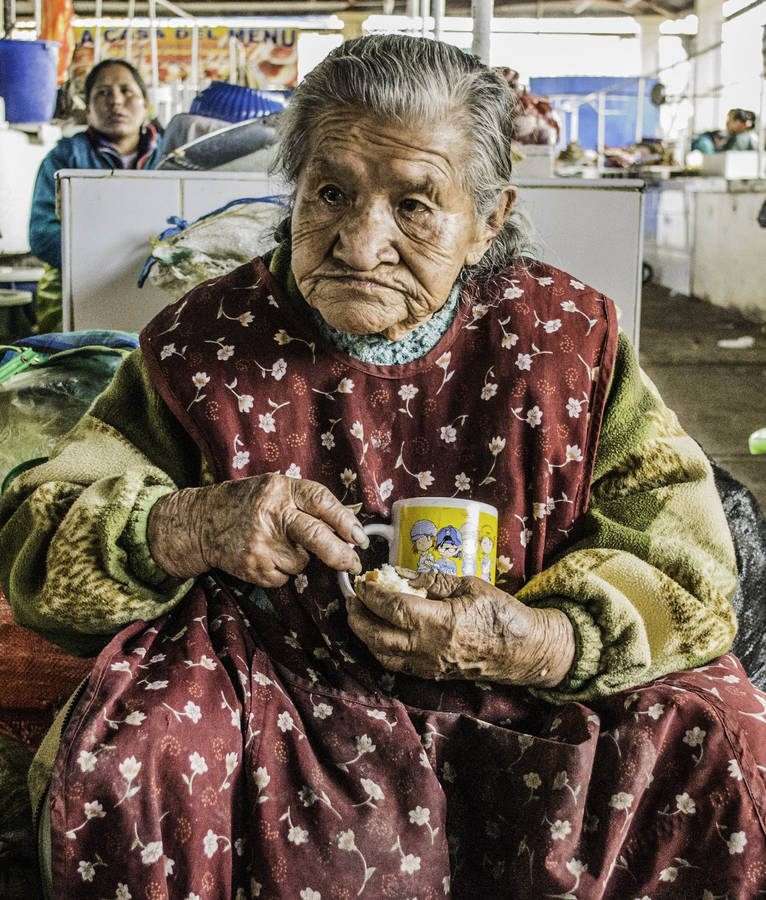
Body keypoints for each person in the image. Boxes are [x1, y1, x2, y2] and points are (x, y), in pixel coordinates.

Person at [1, 33, 764, 898]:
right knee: (136, 754)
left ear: (488, 221)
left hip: (529, 681)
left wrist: (546, 639)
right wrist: (191, 524)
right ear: (294, 193)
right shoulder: (201, 343)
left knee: (716, 738)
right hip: (277, 685)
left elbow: (689, 562)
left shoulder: (568, 340)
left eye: (415, 204)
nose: (360, 245)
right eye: (331, 193)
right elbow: (42, 531)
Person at [28, 59, 163, 334]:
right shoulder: (63, 158)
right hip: (72, 286)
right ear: (88, 108)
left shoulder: (172, 157)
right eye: (102, 93)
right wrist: (106, 258)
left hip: (155, 284)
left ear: (146, 103)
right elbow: (42, 234)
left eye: (127, 91)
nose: (115, 101)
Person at [691, 107, 758, 154]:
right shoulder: (734, 136)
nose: (727, 124)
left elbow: (729, 155)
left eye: (730, 120)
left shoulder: (742, 137)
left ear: (739, 123)